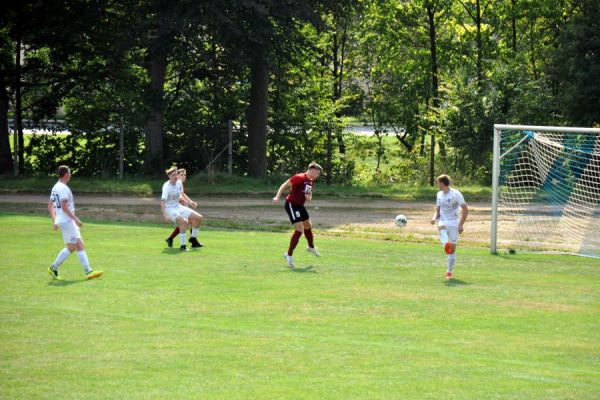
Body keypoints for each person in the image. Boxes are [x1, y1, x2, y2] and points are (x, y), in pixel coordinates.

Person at [47, 165, 103, 280]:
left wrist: (55, 221)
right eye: (70, 173)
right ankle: (53, 267)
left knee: (79, 244)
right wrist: (76, 219)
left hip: (64, 220)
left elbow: (50, 206)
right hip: (67, 221)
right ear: (66, 174)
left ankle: (89, 271)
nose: (71, 175)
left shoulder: (55, 187)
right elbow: (63, 206)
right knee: (72, 246)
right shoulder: (63, 188)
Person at [272, 162, 322, 268]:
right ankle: (288, 255)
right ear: (312, 170)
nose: (318, 176)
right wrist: (277, 197)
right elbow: (284, 185)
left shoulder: (311, 181)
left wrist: (309, 198)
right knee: (299, 229)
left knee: (308, 225)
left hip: (300, 206)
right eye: (317, 173)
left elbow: (309, 195)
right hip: (291, 205)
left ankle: (311, 247)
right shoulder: (299, 177)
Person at [430, 174, 468, 280]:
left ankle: (449, 272)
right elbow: (438, 211)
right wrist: (434, 218)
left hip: (454, 223)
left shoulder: (456, 194)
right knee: (441, 227)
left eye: (437, 182)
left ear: (442, 183)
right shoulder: (439, 195)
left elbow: (465, 209)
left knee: (451, 252)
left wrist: (460, 225)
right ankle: (445, 243)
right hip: (443, 221)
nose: (437, 185)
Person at [161, 166, 203, 251]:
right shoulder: (166, 186)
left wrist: (190, 202)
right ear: (169, 176)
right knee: (184, 222)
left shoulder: (179, 182)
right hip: (170, 209)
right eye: (173, 175)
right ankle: (183, 246)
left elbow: (182, 194)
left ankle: (193, 239)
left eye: (176, 174)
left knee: (199, 218)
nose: (176, 176)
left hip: (178, 207)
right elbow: (162, 201)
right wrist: (165, 215)